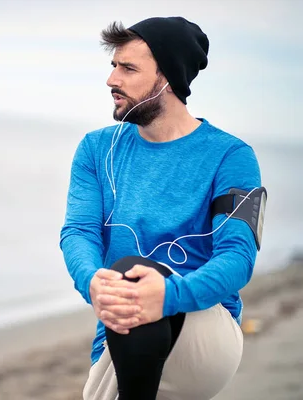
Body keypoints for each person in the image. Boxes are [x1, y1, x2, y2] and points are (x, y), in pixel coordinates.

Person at [59, 17, 266, 400]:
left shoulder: (231, 157)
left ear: (168, 79)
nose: (111, 80)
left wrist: (169, 295)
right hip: (120, 336)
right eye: (113, 66)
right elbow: (80, 232)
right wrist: (91, 281)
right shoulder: (95, 149)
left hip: (204, 334)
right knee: (126, 282)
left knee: (133, 275)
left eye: (128, 68)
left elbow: (238, 256)